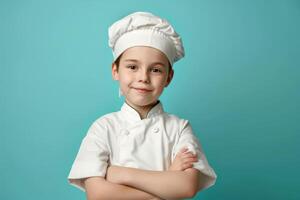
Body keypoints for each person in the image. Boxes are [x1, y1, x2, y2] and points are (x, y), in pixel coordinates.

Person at [68, 11, 217, 200]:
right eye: (132, 67)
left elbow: (186, 186)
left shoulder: (179, 129)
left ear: (168, 77)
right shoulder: (103, 128)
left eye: (155, 70)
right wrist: (166, 183)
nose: (143, 78)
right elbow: (97, 194)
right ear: (116, 70)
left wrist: (119, 173)